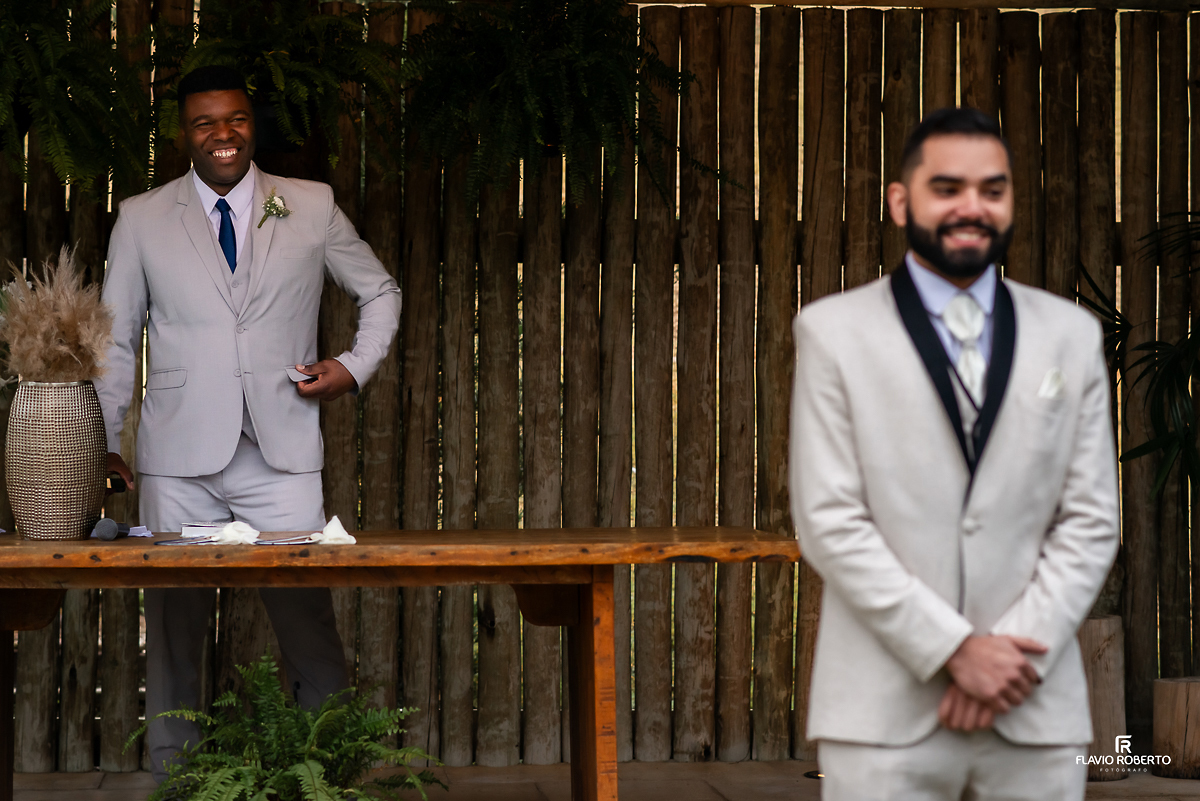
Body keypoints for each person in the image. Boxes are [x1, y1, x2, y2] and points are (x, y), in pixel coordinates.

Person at [788, 107, 1118, 800]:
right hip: (883, 714)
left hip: (1032, 708)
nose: (972, 206)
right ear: (901, 200)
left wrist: (1007, 657)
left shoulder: (1070, 335)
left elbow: (1090, 519)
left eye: (992, 190)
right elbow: (830, 521)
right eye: (948, 187)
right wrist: (954, 650)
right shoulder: (831, 333)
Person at [94, 65, 401, 780]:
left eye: (233, 119)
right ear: (184, 133)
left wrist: (353, 364)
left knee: (308, 626)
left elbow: (378, 289)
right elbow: (115, 338)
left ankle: (328, 776)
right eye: (205, 122)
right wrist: (108, 443)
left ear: (250, 124)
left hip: (282, 447)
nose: (221, 134)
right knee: (172, 631)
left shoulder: (310, 205)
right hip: (175, 454)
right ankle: (178, 782)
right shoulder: (141, 216)